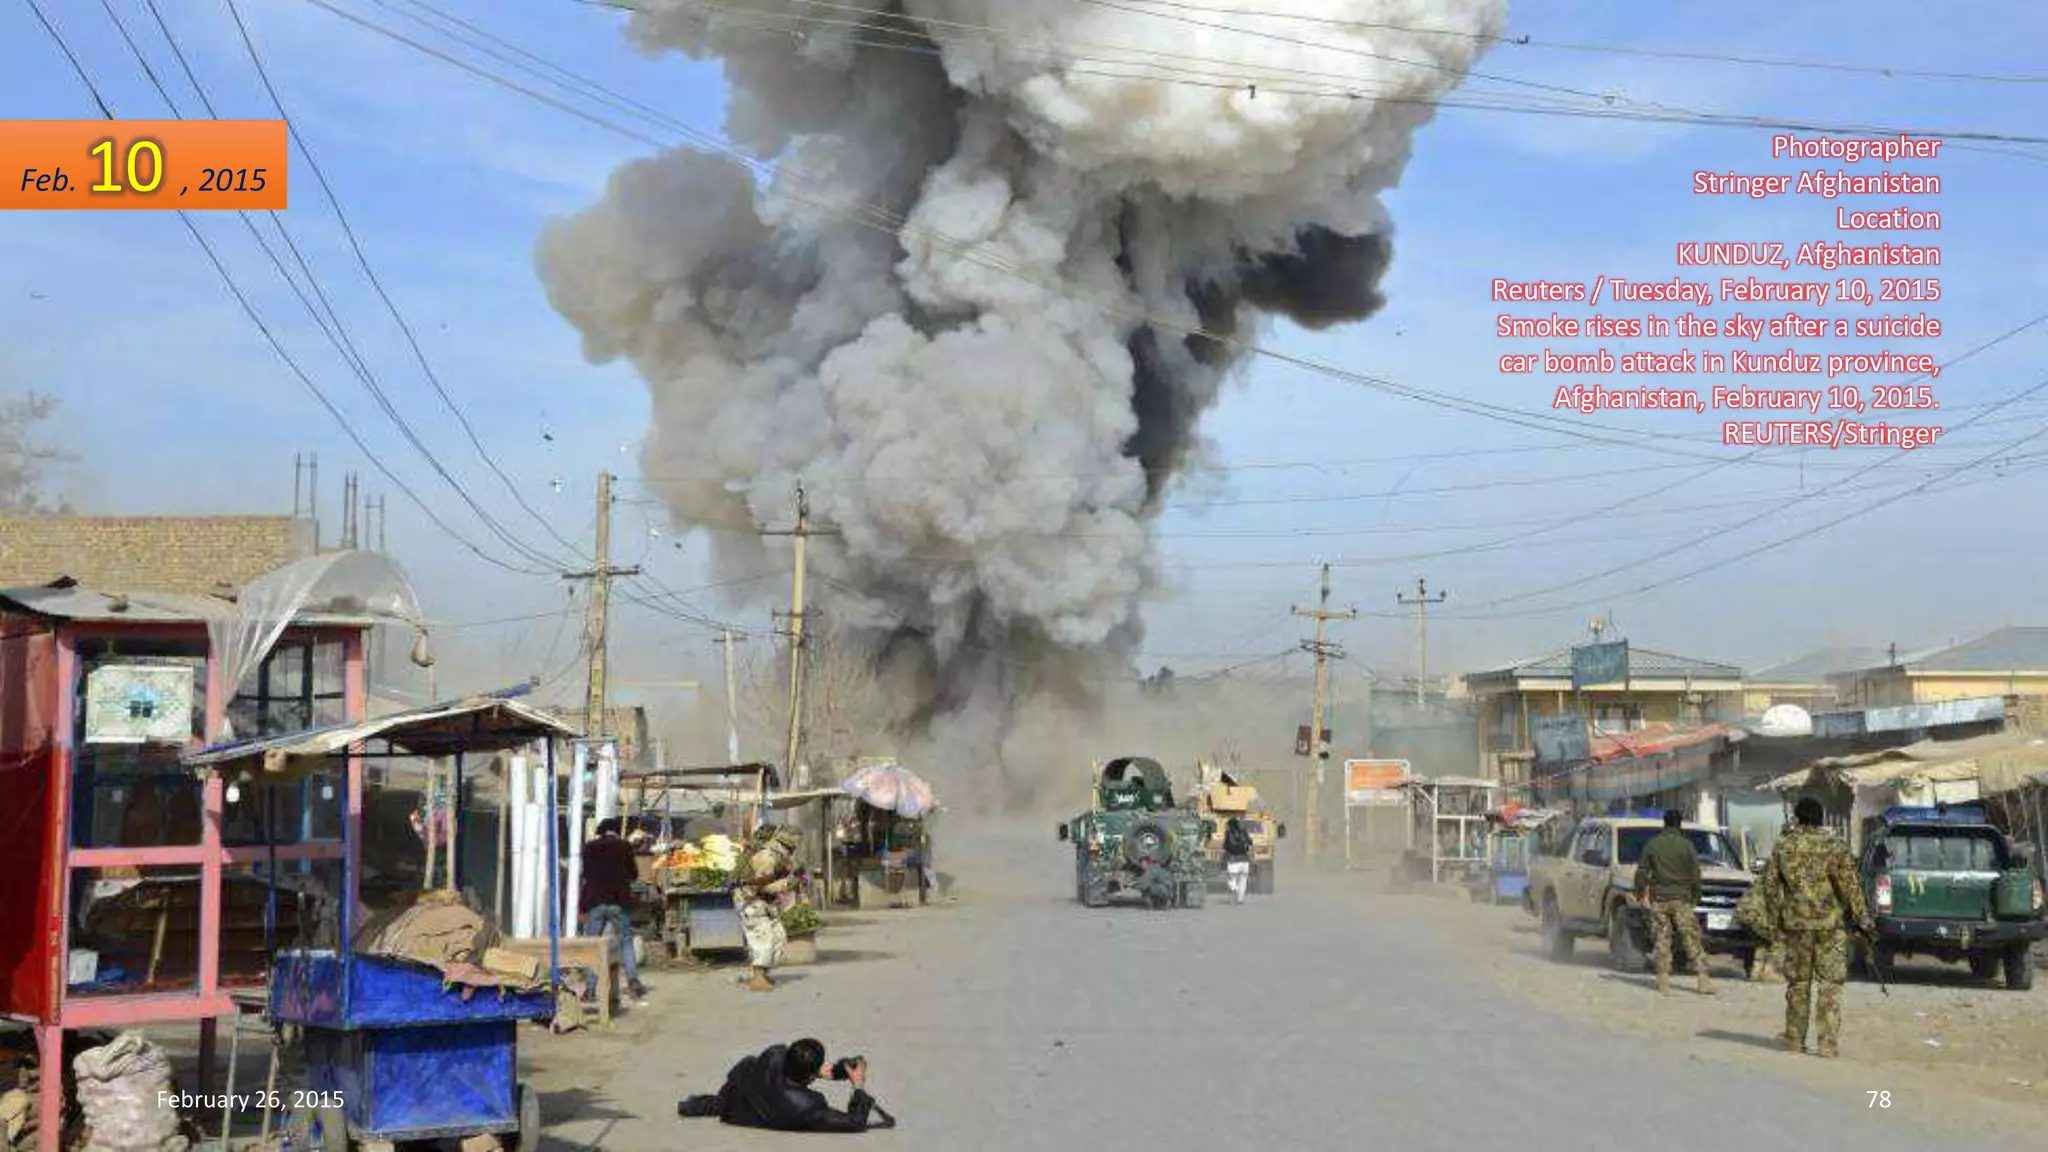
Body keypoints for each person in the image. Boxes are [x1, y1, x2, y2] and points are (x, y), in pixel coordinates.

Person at [1760, 797, 1873, 1058]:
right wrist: (1863, 920)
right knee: (1830, 984)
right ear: (1821, 818)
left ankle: (1795, 1039)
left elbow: (1769, 886)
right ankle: (1827, 1043)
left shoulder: (1784, 845)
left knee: (1798, 983)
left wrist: (1775, 920)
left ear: (1797, 818)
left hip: (1796, 925)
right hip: (1830, 925)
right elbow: (1851, 885)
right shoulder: (1835, 846)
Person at [678, 1039, 896, 1132]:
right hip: (766, 1114)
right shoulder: (808, 1106)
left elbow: (792, 1063)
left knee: (722, 1102)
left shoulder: (774, 1054)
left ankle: (691, 1106)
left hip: (738, 1100)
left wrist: (826, 1071)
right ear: (810, 1076)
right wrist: (858, 1085)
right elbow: (854, 1123)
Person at [1634, 809, 1713, 996]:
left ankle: (1663, 981)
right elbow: (1696, 874)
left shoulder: (1653, 845)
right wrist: (1696, 896)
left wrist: (1640, 894)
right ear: (1680, 824)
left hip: (1659, 899)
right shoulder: (1687, 846)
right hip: (1682, 899)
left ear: (1664, 823)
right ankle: (1703, 980)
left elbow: (1642, 872)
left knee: (1662, 940)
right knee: (1691, 939)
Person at [578, 817, 649, 1002]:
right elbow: (633, 875)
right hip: (619, 903)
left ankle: (590, 989)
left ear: (601, 831)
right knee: (625, 941)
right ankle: (633, 981)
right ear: (617, 831)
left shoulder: (589, 847)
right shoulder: (624, 846)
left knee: (592, 945)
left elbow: (585, 875)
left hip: (596, 902)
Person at [735, 825, 803, 992]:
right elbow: (763, 886)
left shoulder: (780, 856)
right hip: (750, 899)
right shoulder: (767, 857)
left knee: (778, 936)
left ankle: (763, 973)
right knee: (762, 937)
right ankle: (757, 978)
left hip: (765, 901)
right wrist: (787, 884)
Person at [1220, 816, 1254, 905]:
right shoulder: (1244, 831)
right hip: (1245, 861)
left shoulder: (1229, 833)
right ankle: (1240, 899)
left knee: (1232, 879)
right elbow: (1250, 842)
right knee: (1243, 880)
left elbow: (1225, 845)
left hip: (1233, 861)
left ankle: (1234, 889)